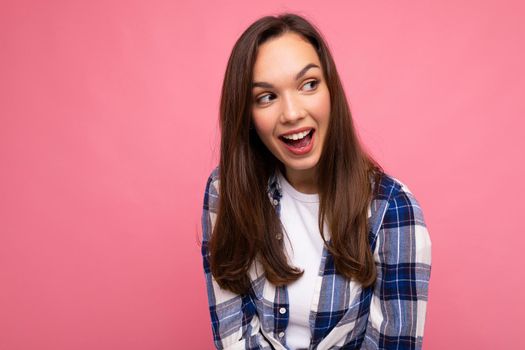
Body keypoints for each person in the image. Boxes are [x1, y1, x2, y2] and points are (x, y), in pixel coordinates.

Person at [200, 13, 432, 350]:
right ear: (247, 116)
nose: (292, 113)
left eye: (308, 84)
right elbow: (234, 335)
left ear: (331, 90)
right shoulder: (227, 192)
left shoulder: (393, 210)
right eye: (266, 97)